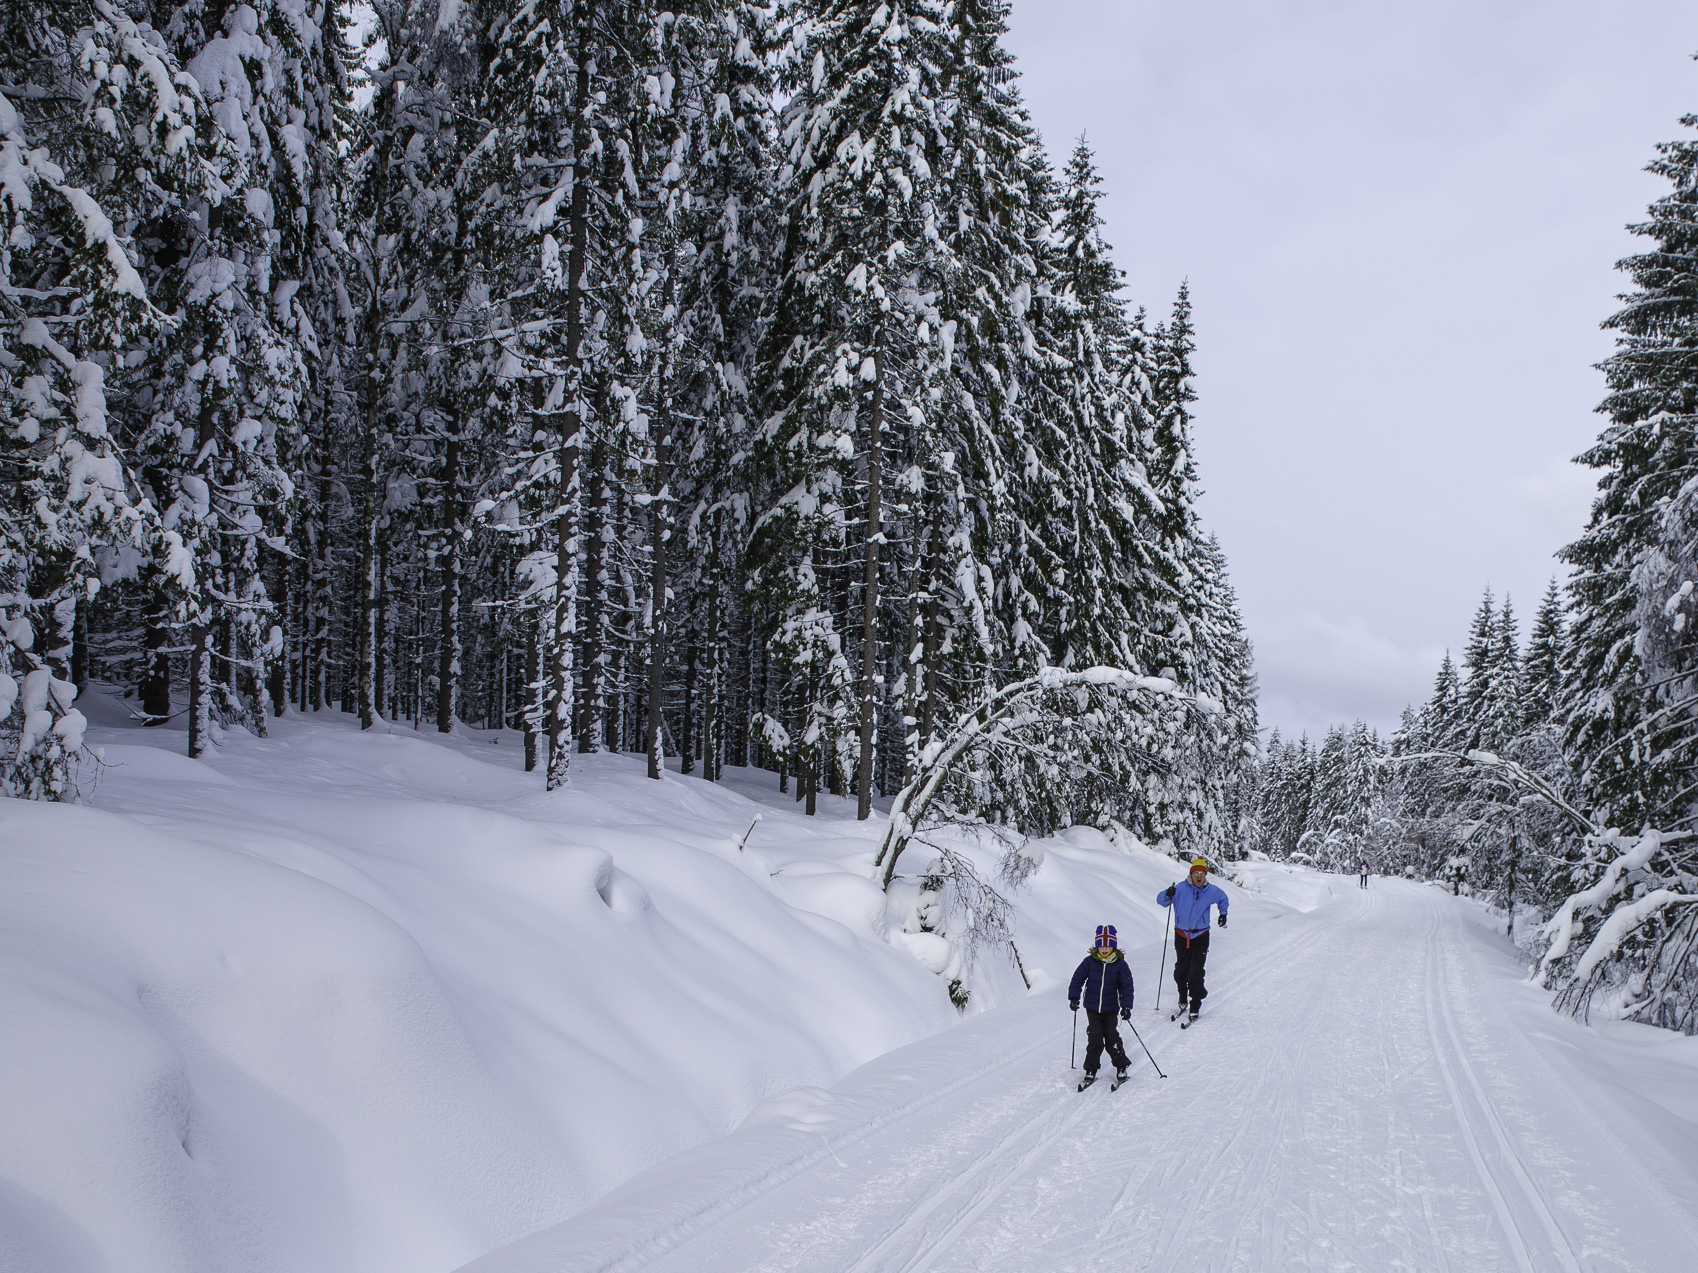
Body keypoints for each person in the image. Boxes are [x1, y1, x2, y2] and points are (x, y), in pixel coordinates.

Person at [1157, 857, 1229, 1023]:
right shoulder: (1180, 889)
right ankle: (1182, 996)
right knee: (1180, 970)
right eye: (1196, 872)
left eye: (1202, 873)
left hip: (1201, 935)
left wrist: (1223, 914)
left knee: (1196, 971)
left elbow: (1223, 899)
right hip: (1182, 935)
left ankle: (1195, 1003)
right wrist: (1167, 893)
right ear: (1191, 873)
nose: (1199, 876)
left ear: (1205, 875)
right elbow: (1161, 901)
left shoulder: (1211, 890)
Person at [1068, 924, 1134, 1087]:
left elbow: (1127, 987)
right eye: (1101, 946)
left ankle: (1121, 1066)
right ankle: (1090, 1069)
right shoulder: (1089, 962)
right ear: (1097, 946)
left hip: (1111, 1008)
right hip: (1092, 1007)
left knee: (1111, 1036)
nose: (1104, 950)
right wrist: (1074, 996)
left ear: (1114, 947)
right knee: (1095, 1037)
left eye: (1108, 946)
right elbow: (1077, 978)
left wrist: (1126, 1006)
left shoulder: (1120, 965)